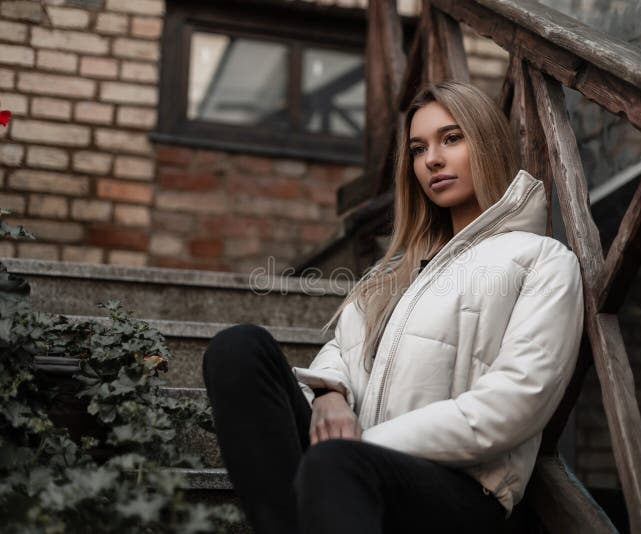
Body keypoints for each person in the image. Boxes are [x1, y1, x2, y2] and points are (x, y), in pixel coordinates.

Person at [202, 81, 584, 534]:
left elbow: (515, 403)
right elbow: (342, 349)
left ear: (487, 142)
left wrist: (366, 444)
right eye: (418, 149)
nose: (432, 160)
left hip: (459, 489)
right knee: (239, 349)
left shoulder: (541, 259)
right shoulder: (394, 272)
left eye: (452, 138)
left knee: (336, 463)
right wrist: (329, 393)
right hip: (346, 469)